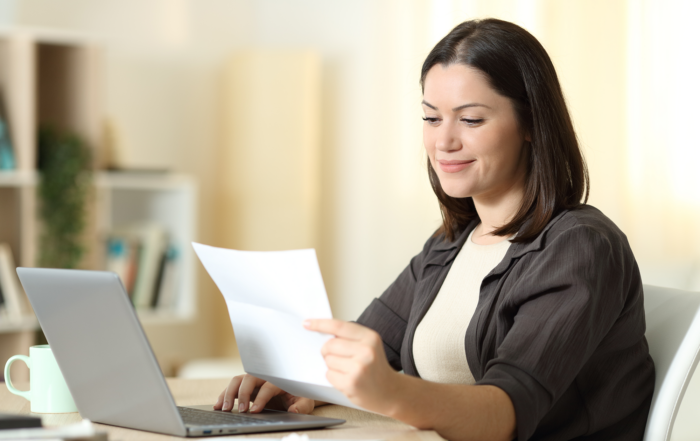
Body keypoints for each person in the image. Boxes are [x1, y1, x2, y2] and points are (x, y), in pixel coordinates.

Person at [213, 18, 655, 441]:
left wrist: (390, 391)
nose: (444, 142)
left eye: (471, 119)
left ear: (531, 125)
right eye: (431, 118)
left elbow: (505, 414)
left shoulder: (580, 247)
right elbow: (372, 343)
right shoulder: (450, 243)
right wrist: (300, 380)